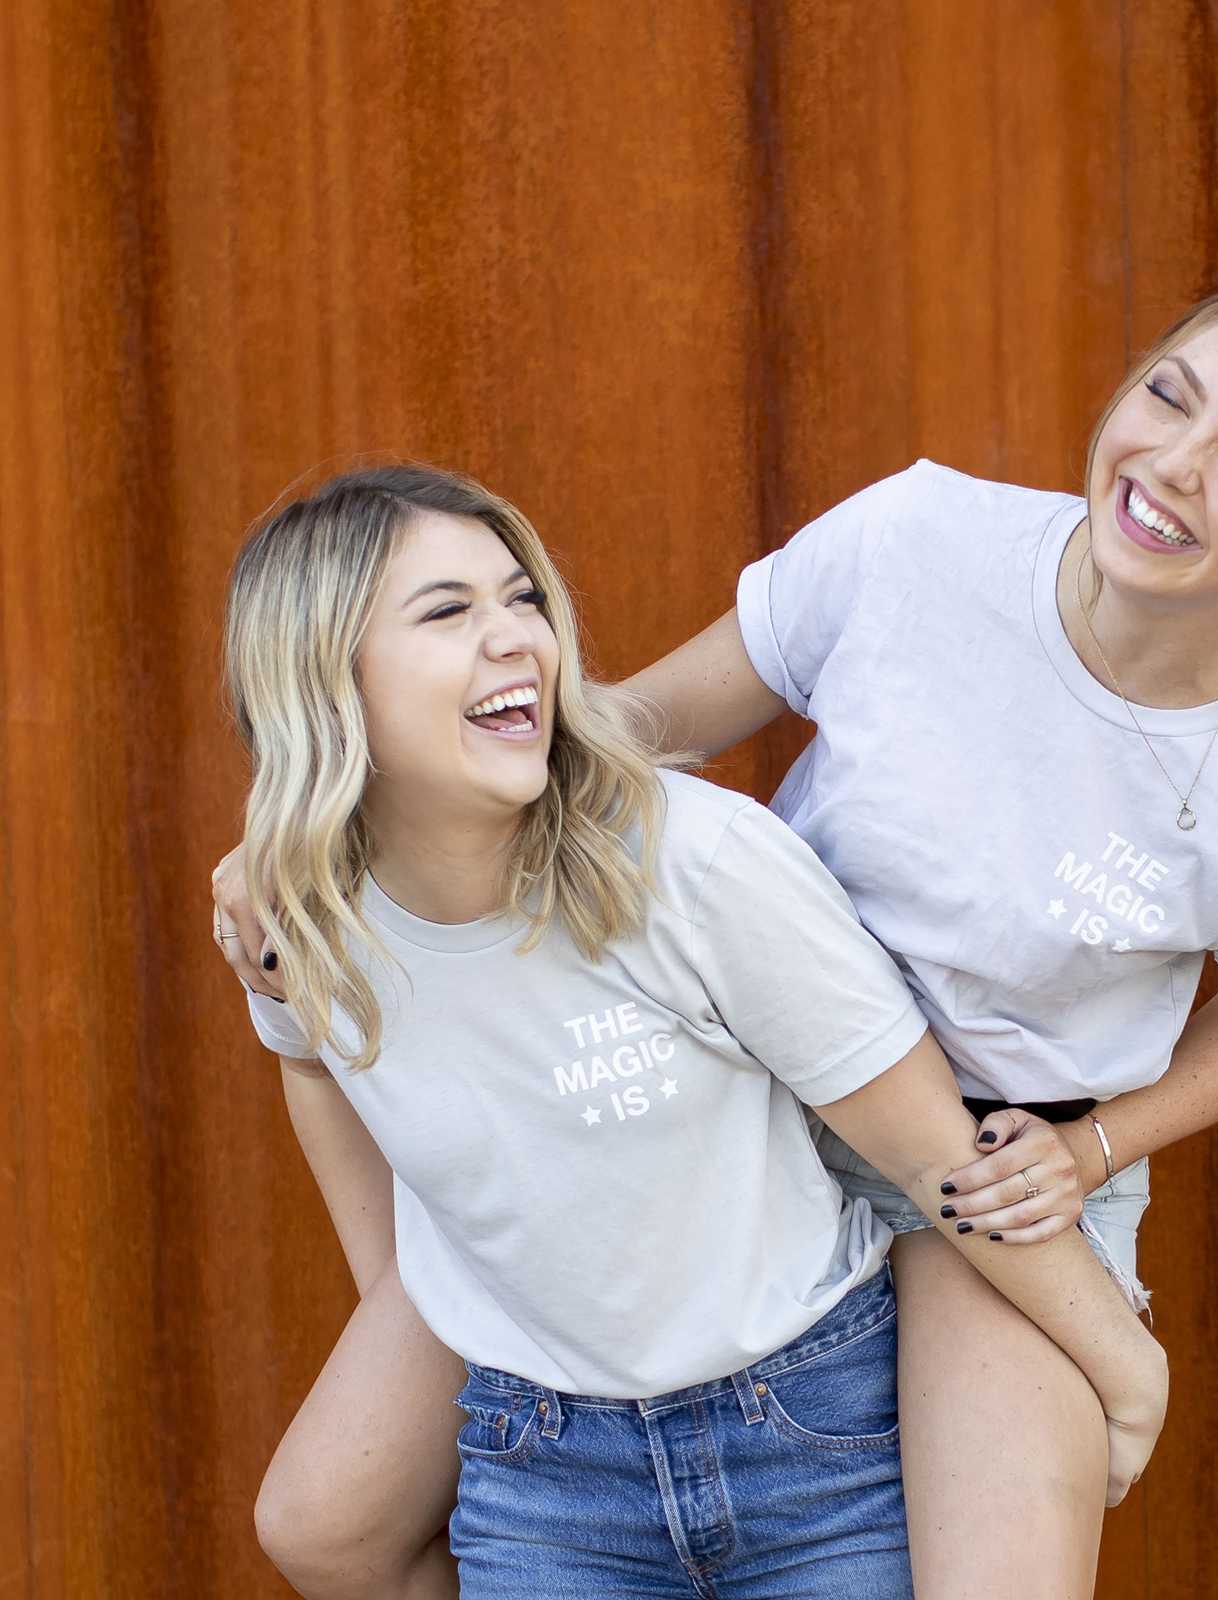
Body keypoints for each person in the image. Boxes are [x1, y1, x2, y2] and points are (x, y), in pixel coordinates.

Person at [215, 277, 1218, 1597]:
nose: (1171, 465)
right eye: (1167, 393)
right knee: (322, 1514)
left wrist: (1093, 1148)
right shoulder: (917, 544)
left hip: (996, 1154)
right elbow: (636, 731)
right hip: (754, 1086)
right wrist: (344, 822)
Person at [219, 461, 1167, 1600]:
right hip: (546, 1476)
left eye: (522, 598)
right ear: (325, 683)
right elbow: (317, 1063)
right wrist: (428, 1291)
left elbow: (930, 1152)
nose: (516, 636)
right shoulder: (296, 917)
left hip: (810, 1441)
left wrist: (1129, 1370)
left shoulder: (693, 862)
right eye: (447, 611)